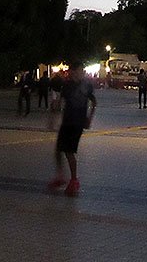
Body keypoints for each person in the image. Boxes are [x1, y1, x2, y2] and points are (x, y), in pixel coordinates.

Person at [47, 61, 96, 197]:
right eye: (76, 71)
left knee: (69, 152)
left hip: (77, 123)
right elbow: (59, 102)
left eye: (80, 70)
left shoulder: (86, 86)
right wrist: (53, 113)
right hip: (67, 121)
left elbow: (93, 102)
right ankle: (60, 176)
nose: (78, 73)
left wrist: (89, 118)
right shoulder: (67, 85)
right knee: (58, 150)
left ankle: (74, 180)